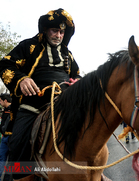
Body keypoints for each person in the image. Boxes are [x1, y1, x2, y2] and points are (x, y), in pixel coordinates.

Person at [0, 8, 81, 179]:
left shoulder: (68, 54)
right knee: (18, 141)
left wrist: (79, 82)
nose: (58, 35)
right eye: (54, 30)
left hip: (65, 103)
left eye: (61, 32)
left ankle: (92, 170)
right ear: (45, 30)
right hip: (33, 106)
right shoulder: (28, 46)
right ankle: (21, 177)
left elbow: (77, 75)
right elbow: (5, 65)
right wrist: (21, 79)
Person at [0, 94, 12, 180]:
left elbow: (6, 125)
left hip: (8, 137)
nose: (0, 103)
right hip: (6, 136)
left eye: (0, 101)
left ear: (5, 100)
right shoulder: (6, 110)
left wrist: (3, 131)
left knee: (5, 159)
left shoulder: (12, 110)